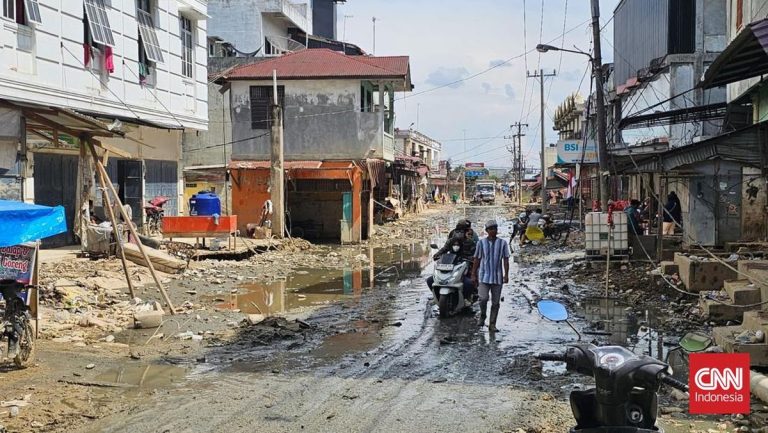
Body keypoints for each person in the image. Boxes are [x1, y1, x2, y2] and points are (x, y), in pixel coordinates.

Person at [471, 220, 510, 332]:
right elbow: (477, 259)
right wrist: (473, 274)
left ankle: (492, 324)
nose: (494, 231)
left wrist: (506, 274)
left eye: (495, 229)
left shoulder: (502, 243)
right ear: (487, 231)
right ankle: (483, 315)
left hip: (497, 277)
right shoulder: (481, 243)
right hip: (484, 276)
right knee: (483, 298)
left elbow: (506, 260)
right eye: (491, 229)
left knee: (496, 302)